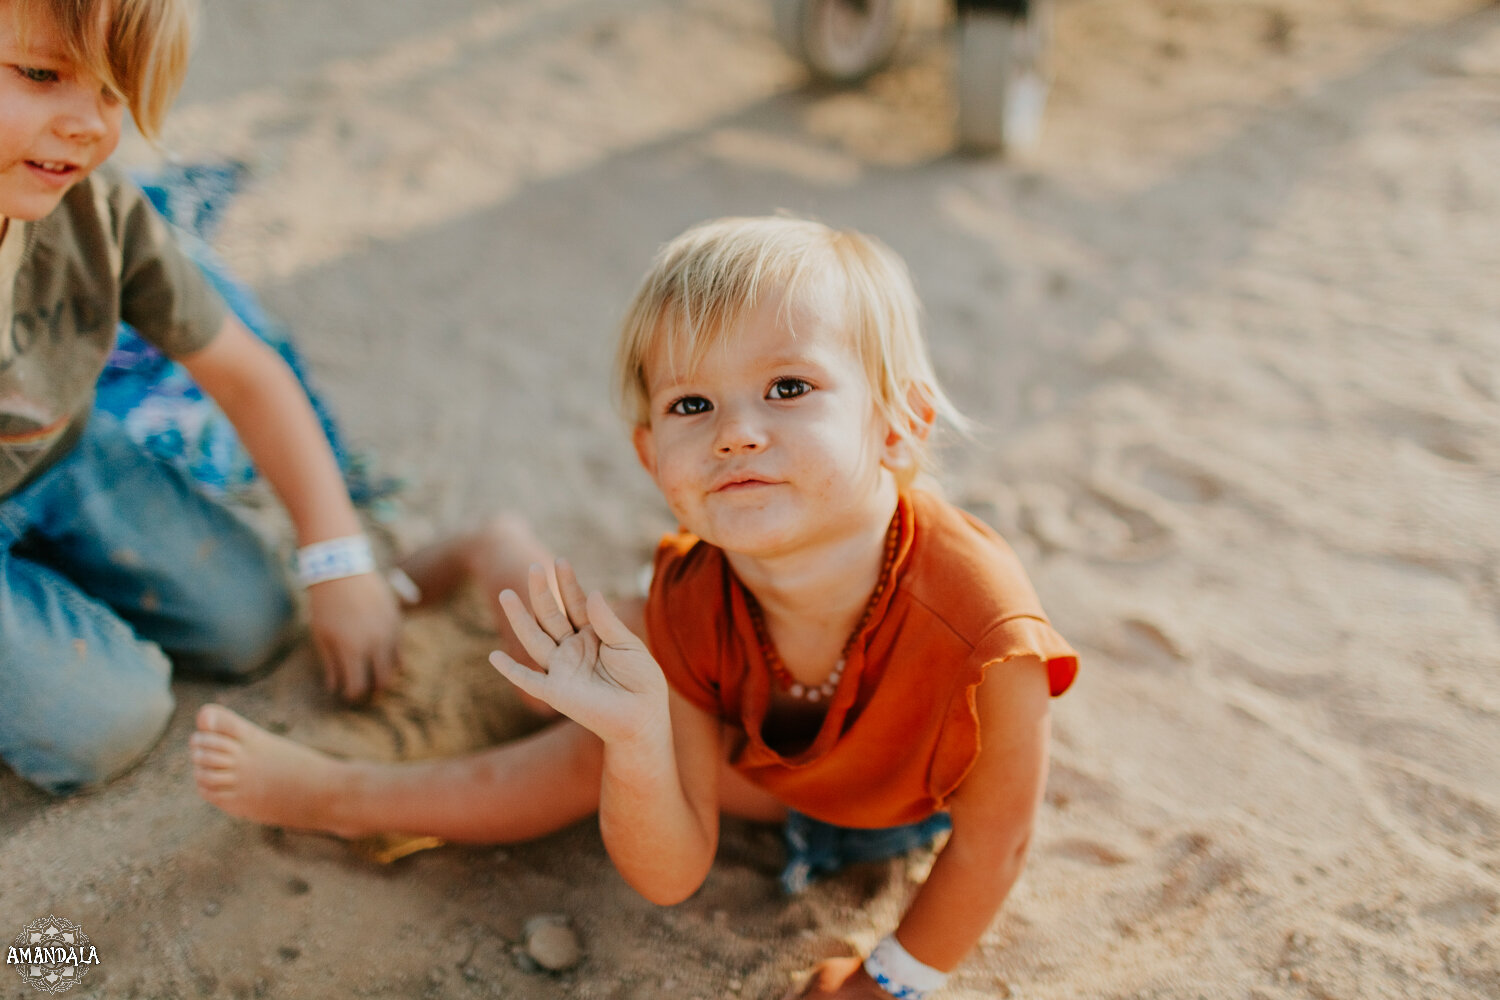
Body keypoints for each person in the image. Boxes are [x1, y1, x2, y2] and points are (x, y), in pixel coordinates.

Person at [191, 216, 1078, 1000]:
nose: (735, 430)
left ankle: (481, 584)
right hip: (769, 757)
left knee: (573, 707)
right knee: (581, 711)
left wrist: (885, 986)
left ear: (899, 426)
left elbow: (995, 843)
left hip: (888, 807)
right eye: (694, 403)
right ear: (655, 459)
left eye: (788, 388)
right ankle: (361, 776)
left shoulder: (985, 631)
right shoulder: (694, 591)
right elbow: (672, 871)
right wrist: (642, 741)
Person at [0, 0, 403, 796]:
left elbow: (247, 372)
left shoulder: (99, 211)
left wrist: (339, 558)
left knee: (256, 622)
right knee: (108, 720)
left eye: (113, 92)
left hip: (63, 452)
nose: (87, 123)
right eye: (42, 75)